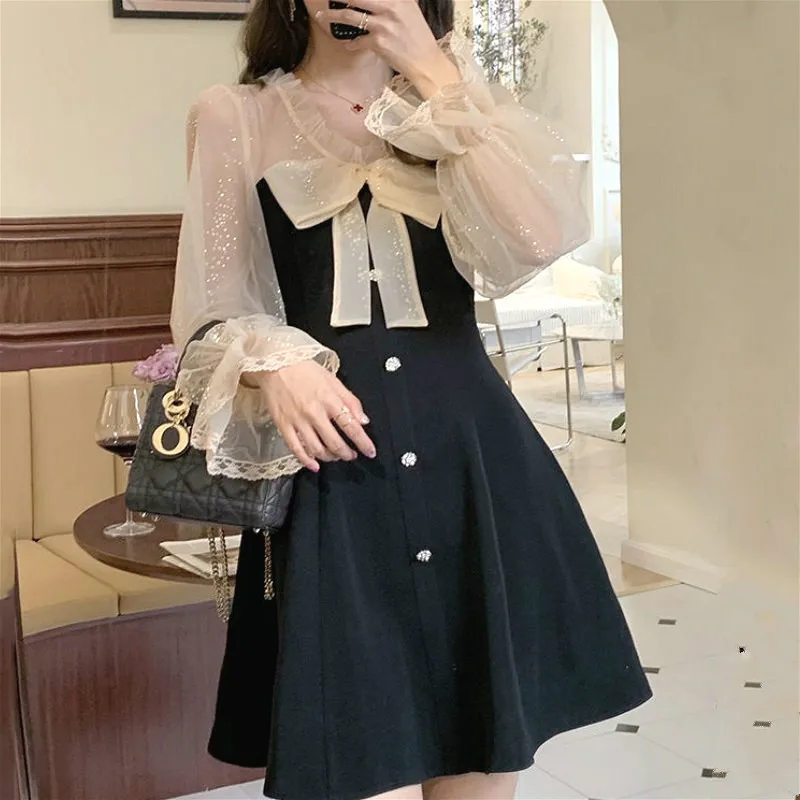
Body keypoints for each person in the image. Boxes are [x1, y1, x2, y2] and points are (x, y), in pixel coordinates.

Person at [169, 0, 652, 798]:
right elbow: (212, 303)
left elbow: (536, 239)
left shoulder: (461, 106)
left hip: (474, 464)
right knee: (349, 748)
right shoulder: (236, 116)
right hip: (329, 477)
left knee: (483, 740)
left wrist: (436, 76)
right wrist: (274, 365)